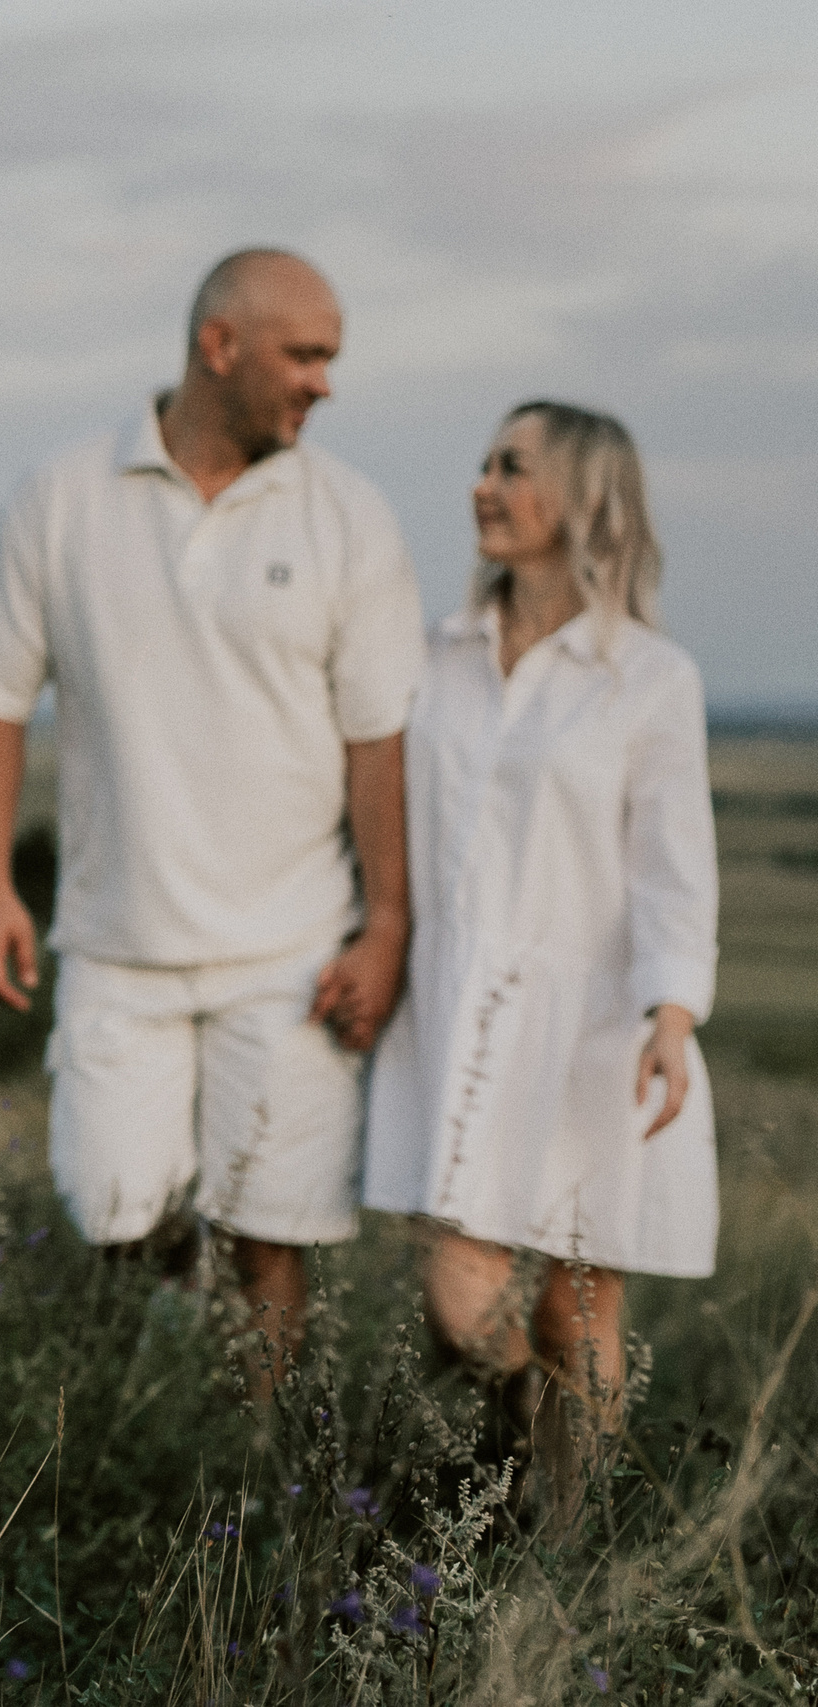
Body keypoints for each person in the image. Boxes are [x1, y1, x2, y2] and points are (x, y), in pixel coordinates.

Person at [0, 249, 425, 1372]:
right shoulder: (61, 494)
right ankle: (142, 1462)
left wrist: (385, 925)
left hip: (293, 948)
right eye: (305, 355)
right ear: (219, 346)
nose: (324, 383)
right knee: (117, 1222)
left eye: (330, 358)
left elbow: (376, 742)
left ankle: (249, 1506)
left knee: (269, 1243)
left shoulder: (349, 515)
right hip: (117, 946)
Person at [364, 402, 716, 1524]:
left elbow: (672, 861)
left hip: (591, 1022)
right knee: (460, 1300)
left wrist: (672, 1009)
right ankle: (521, 1453)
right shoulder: (433, 656)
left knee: (578, 1301)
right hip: (456, 1005)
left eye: (510, 467)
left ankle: (563, 1538)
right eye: (480, 462)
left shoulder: (648, 678)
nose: (480, 484)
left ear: (578, 499)